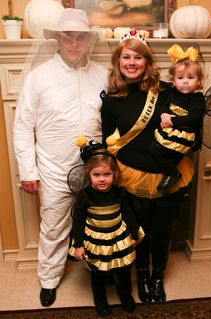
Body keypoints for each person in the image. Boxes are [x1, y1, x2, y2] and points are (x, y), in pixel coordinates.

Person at [13, 8, 108, 307]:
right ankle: (49, 279)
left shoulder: (102, 74)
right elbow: (23, 125)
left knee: (100, 222)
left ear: (88, 40)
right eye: (69, 36)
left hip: (97, 170)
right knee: (53, 226)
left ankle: (99, 276)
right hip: (53, 169)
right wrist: (28, 170)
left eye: (81, 37)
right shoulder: (39, 77)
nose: (75, 43)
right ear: (58, 38)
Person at [101, 30, 194, 304]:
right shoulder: (111, 101)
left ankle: (157, 277)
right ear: (118, 61)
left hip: (168, 175)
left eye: (137, 57)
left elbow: (189, 122)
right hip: (131, 178)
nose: (131, 62)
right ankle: (141, 276)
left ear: (147, 62)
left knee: (163, 233)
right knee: (138, 233)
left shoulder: (166, 91)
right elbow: (110, 143)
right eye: (126, 57)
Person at [68, 138, 144, 316]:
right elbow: (78, 221)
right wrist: (78, 245)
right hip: (96, 240)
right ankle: (100, 299)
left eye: (106, 175)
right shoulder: (85, 195)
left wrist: (134, 235)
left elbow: (128, 214)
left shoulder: (120, 192)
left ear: (114, 174)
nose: (102, 180)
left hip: (118, 239)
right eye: (97, 175)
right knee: (98, 273)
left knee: (124, 270)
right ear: (89, 175)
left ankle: (125, 294)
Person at [149, 43, 206, 192]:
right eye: (180, 78)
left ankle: (173, 173)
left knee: (163, 150)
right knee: (153, 147)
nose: (185, 81)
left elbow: (192, 119)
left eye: (190, 77)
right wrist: (163, 115)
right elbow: (164, 107)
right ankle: (171, 172)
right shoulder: (172, 94)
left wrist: (171, 120)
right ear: (173, 81)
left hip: (185, 135)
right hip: (170, 131)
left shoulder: (197, 99)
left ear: (199, 81)